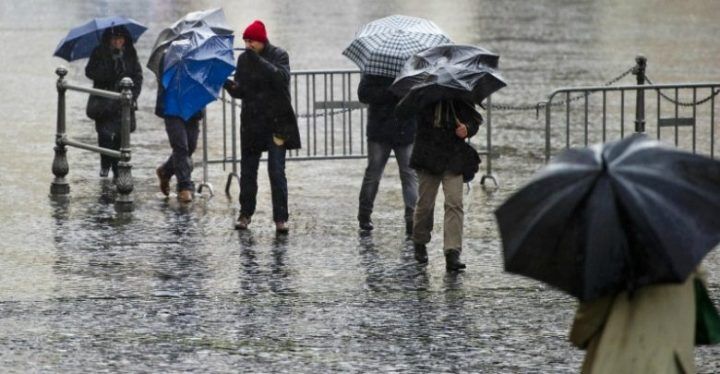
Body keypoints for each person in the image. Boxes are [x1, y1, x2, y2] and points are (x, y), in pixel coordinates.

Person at [224, 20, 301, 233]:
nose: (248, 45)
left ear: (262, 41)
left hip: (277, 124)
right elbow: (241, 90)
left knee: (276, 171)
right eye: (246, 41)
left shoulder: (279, 55)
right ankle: (245, 213)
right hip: (252, 124)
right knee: (248, 171)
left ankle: (281, 218)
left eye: (252, 41)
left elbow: (280, 78)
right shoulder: (244, 60)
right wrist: (226, 83)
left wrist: (258, 60)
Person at [569, 269, 710, 373]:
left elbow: (595, 306)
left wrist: (578, 335)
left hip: (621, 359)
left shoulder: (614, 251)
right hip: (671, 359)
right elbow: (699, 296)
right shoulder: (684, 249)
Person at [404, 99, 482, 271]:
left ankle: (452, 252)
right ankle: (420, 241)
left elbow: (475, 120)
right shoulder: (424, 94)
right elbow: (407, 115)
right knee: (425, 204)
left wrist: (467, 129)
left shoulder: (460, 94)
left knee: (455, 203)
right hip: (427, 156)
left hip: (453, 156)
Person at [356, 74, 417, 235]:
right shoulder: (375, 70)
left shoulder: (412, 72)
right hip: (380, 130)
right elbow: (363, 94)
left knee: (409, 173)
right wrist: (392, 92)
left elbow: (419, 96)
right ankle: (364, 214)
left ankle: (412, 218)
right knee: (374, 173)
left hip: (404, 129)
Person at [85, 26, 143, 179]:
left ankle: (117, 167)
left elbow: (137, 76)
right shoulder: (99, 52)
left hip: (122, 104)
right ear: (109, 40)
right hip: (103, 101)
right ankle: (105, 164)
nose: (117, 42)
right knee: (104, 135)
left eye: (120, 39)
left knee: (120, 136)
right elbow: (89, 71)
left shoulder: (130, 53)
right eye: (114, 39)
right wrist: (108, 70)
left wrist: (133, 96)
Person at [154, 50, 203, 203]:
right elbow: (164, 78)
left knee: (191, 145)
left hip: (192, 107)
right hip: (172, 106)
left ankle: (165, 171)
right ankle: (184, 187)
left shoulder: (201, 55)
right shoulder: (168, 54)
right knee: (180, 146)